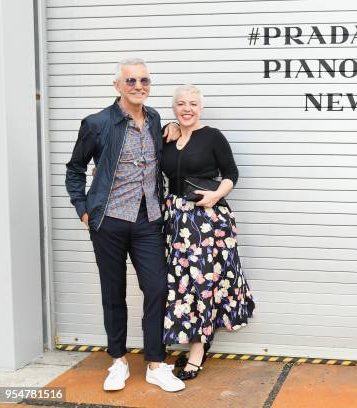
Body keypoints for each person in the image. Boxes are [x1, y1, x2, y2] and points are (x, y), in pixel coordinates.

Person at [65, 58, 185, 392]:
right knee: (113, 293)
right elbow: (75, 168)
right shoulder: (97, 123)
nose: (138, 86)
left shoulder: (156, 118)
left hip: (148, 219)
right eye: (130, 81)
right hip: (110, 221)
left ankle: (155, 363)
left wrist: (174, 126)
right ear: (118, 85)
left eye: (144, 80)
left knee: (157, 288)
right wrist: (83, 209)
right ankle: (118, 361)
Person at [161, 84, 255, 380]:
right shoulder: (167, 136)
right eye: (181, 104)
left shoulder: (213, 136)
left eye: (192, 104)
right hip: (175, 221)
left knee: (202, 283)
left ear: (201, 107)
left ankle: (197, 350)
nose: (187, 108)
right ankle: (192, 337)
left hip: (207, 221)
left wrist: (214, 197)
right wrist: (170, 126)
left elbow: (231, 174)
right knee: (181, 284)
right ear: (174, 108)